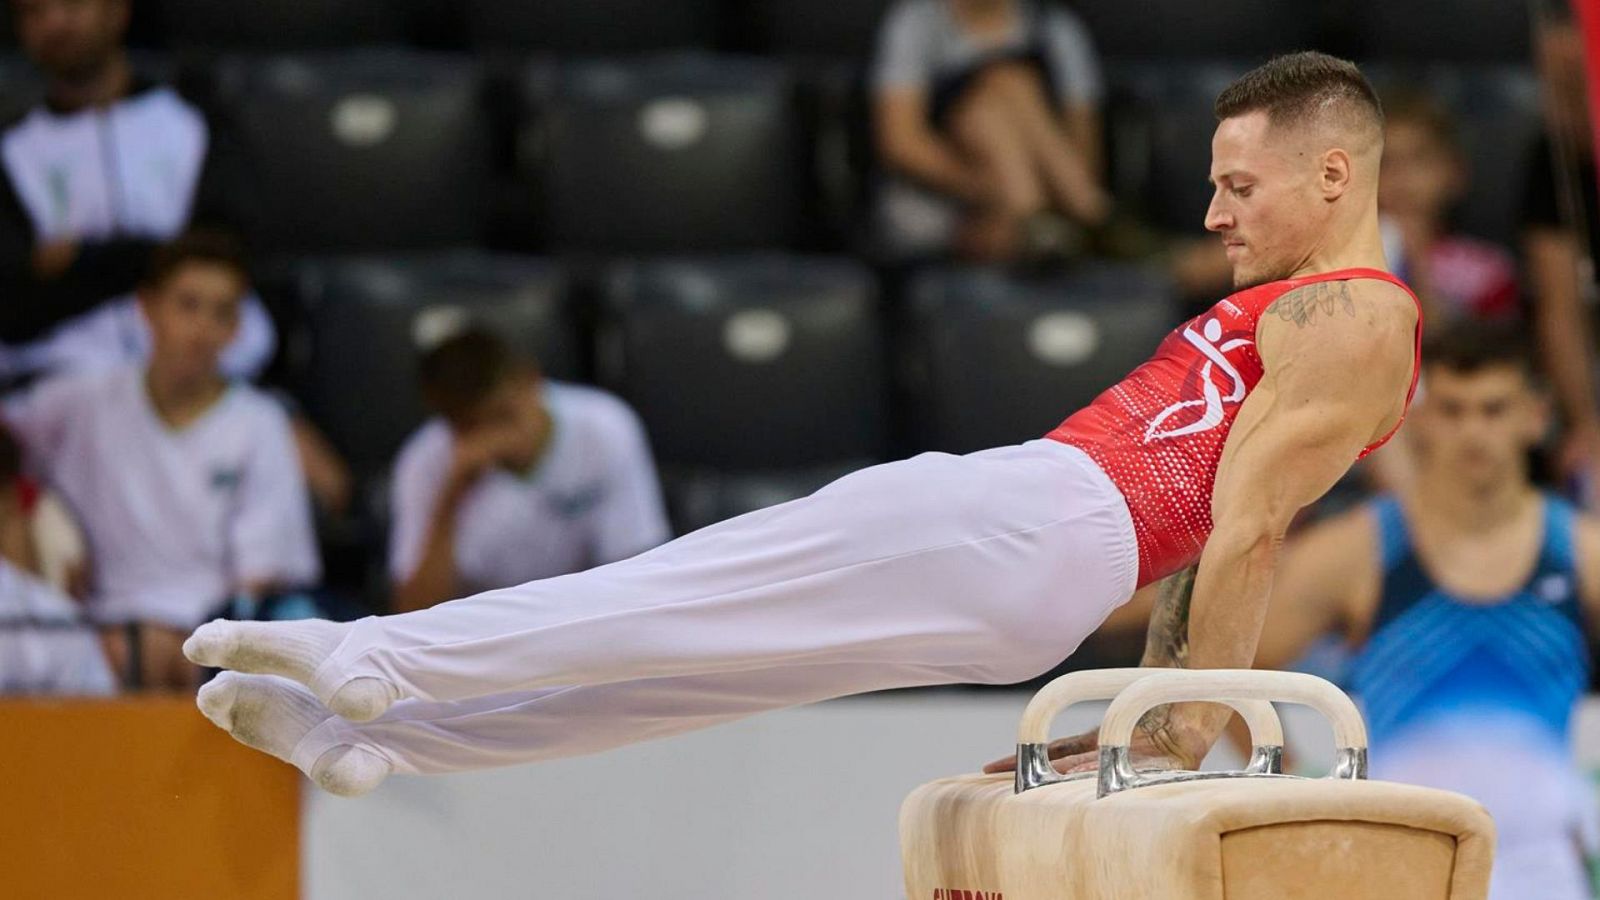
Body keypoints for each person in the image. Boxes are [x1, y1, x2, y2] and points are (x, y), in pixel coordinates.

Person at [186, 52, 1422, 799]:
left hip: (1035, 520)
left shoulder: (1353, 316)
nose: (1210, 214)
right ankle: (396, 746)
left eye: (1238, 185)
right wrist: (1148, 719)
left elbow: (1250, 530)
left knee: (684, 592)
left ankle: (379, 661)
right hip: (1046, 580)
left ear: (1334, 176)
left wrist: (1188, 726)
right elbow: (1212, 534)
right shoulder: (1306, 319)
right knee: (704, 675)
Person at [1245, 320, 1598, 900]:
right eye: (1453, 410)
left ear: (1536, 416)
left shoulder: (1582, 552)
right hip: (1401, 862)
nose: (1473, 432)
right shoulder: (1356, 553)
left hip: (1542, 865)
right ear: (1422, 420)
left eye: (1493, 410)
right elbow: (1231, 675)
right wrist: (1291, 792)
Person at [5, 230, 320, 691]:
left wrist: (184, 645)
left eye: (221, 313)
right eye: (188, 305)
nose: (201, 330)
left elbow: (260, 578)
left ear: (236, 329)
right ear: (148, 308)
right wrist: (26, 507)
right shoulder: (79, 401)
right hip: (90, 637)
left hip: (211, 642)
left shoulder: (260, 423)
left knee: (284, 635)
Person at [389, 328, 670, 613]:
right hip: (478, 632)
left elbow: (641, 580)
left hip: (582, 618)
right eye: (473, 427)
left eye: (503, 416)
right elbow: (412, 611)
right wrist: (450, 500)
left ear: (530, 380)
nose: (497, 439)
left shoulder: (606, 427)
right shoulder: (424, 461)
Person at [871, 0, 1110, 261]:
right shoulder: (919, 21)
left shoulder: (1053, 27)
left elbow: (1083, 145)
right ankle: (1089, 213)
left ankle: (1038, 218)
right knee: (992, 101)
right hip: (948, 201)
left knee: (1010, 89)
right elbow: (901, 143)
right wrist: (989, 191)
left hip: (1043, 193)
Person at [1380, 90, 1520, 323]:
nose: (1400, 176)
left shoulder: (1489, 272)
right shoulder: (1339, 263)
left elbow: (1486, 350)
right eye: (1385, 161)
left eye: (1419, 159)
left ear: (1455, 172)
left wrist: (1416, 265)